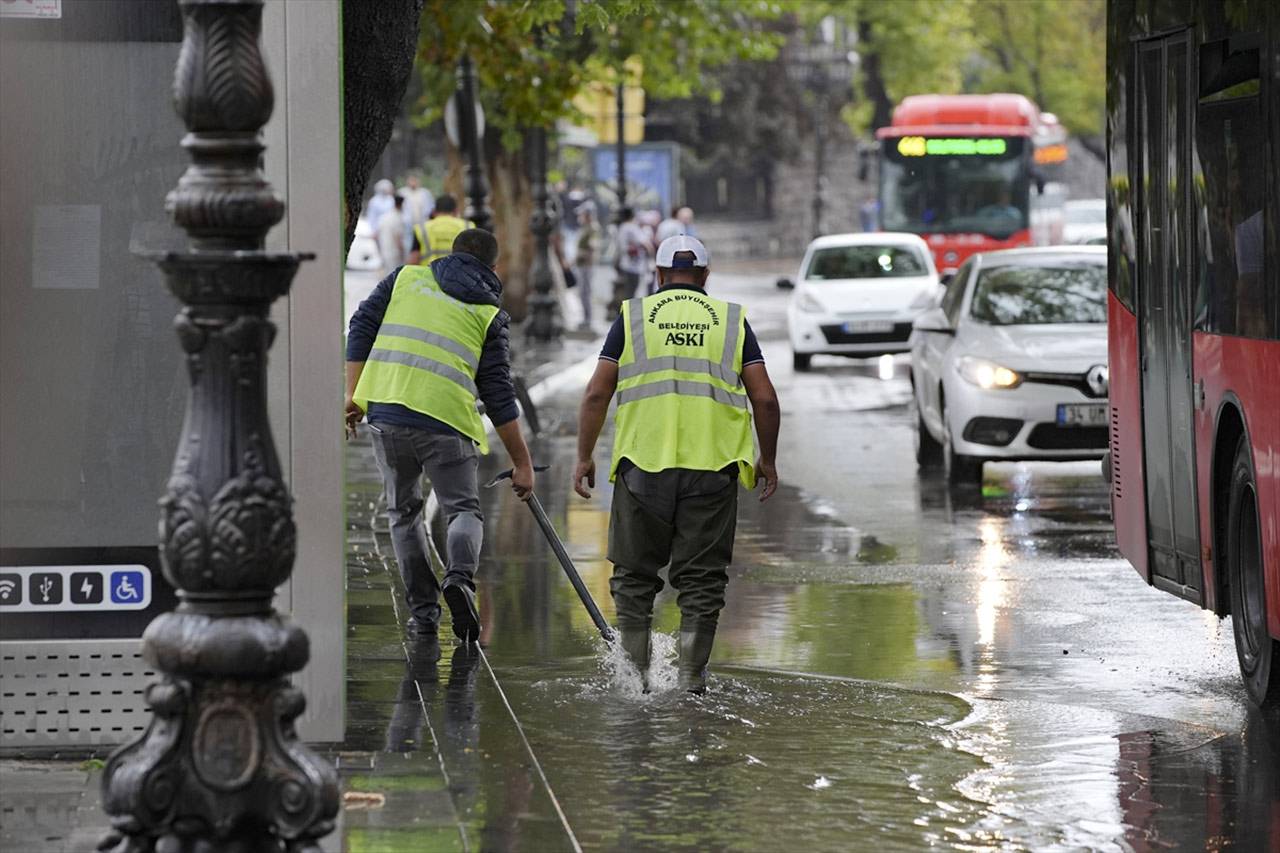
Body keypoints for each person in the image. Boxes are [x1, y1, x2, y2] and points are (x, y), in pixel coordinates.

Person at [573, 234, 781, 693]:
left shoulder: (633, 317)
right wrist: (768, 460)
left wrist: (584, 455)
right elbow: (764, 399)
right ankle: (690, 682)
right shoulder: (731, 320)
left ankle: (635, 682)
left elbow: (595, 393)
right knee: (702, 583)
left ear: (660, 274)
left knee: (633, 579)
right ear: (705, 276)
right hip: (713, 469)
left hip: (642, 466)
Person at [345, 228, 535, 643]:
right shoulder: (489, 315)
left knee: (403, 513)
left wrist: (353, 396)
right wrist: (521, 462)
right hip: (447, 423)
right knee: (463, 510)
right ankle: (460, 580)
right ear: (493, 267)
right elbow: (499, 394)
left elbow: (360, 325)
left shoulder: (404, 278)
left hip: (388, 413)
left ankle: (424, 615)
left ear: (450, 254)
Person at [409, 194, 474, 266]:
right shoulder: (468, 226)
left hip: (429, 274)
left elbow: (414, 259)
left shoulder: (422, 228)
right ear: (456, 211)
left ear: (434, 211)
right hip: (460, 274)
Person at [611, 207, 648, 316]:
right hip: (633, 266)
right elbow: (645, 243)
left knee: (626, 293)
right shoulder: (631, 228)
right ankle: (627, 317)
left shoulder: (621, 227)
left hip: (625, 264)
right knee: (631, 294)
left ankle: (623, 316)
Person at [574, 203, 602, 330]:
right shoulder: (585, 228)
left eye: (583, 214)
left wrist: (581, 254)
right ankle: (585, 318)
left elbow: (593, 247)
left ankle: (588, 319)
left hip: (587, 265)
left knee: (586, 292)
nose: (580, 216)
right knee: (582, 292)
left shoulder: (592, 228)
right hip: (581, 265)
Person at [376, 194, 407, 272]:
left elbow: (377, 234)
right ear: (402, 204)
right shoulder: (398, 218)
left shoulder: (384, 217)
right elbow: (398, 237)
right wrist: (403, 253)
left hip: (384, 250)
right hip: (394, 253)